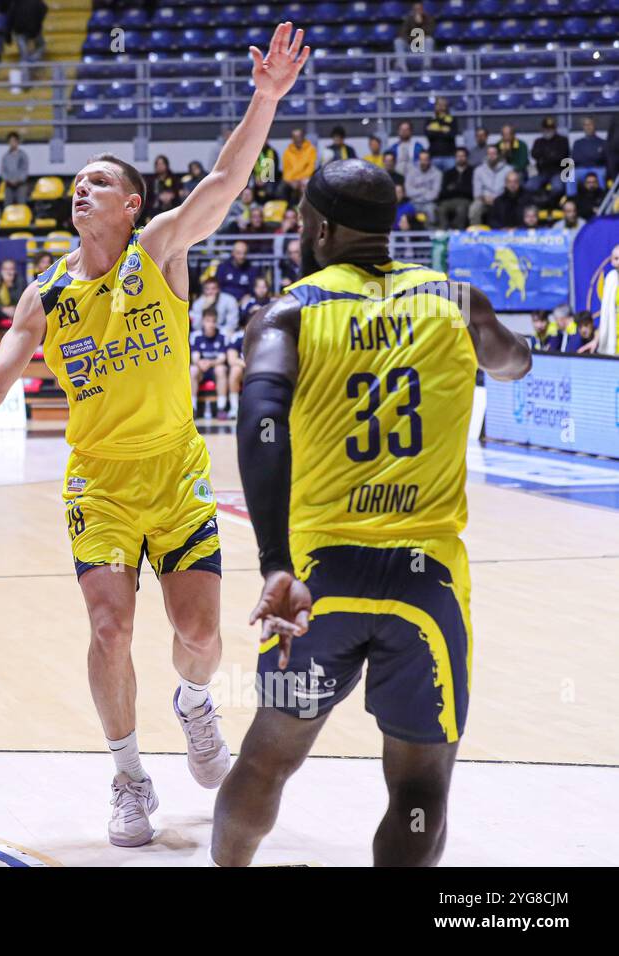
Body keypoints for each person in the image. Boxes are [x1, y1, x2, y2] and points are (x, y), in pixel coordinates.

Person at [0, 23, 311, 848]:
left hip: (177, 474)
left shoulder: (159, 251)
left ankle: (192, 704)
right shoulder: (46, 292)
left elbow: (223, 181)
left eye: (98, 182)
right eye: (76, 183)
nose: (81, 190)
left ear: (131, 204)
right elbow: (1, 374)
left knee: (200, 635)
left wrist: (265, 99)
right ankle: (128, 777)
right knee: (109, 627)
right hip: (99, 484)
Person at [215, 158, 531, 867]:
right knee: (422, 786)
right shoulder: (455, 300)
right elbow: (513, 363)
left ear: (319, 227)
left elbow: (260, 419)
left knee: (267, 759)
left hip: (321, 576)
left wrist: (275, 563)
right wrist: (505, 352)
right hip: (428, 583)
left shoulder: (288, 311)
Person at [190, 308, 230, 419]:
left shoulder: (222, 335)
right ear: (203, 321)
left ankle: (221, 408)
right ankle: (192, 408)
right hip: (201, 370)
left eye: (213, 321)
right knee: (193, 370)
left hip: (214, 369)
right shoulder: (196, 336)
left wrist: (210, 363)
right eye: (208, 321)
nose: (211, 324)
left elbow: (222, 357)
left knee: (221, 369)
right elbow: (195, 357)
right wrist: (200, 363)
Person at [527, 117, 570, 198]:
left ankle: (550, 204)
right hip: (542, 172)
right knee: (529, 186)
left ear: (554, 129)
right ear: (542, 129)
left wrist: (544, 157)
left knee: (558, 187)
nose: (548, 131)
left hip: (558, 172)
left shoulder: (562, 140)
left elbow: (562, 157)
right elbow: (534, 154)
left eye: (550, 128)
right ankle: (539, 202)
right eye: (546, 128)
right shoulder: (538, 141)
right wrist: (551, 155)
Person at [469, 146, 508, 226]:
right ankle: (475, 234)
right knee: (474, 209)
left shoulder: (508, 169)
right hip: (484, 199)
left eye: (494, 153)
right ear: (486, 155)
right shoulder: (478, 170)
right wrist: (484, 197)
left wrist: (498, 199)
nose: (491, 156)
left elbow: (510, 189)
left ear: (499, 155)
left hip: (502, 198)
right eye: (489, 154)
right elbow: (477, 191)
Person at [436, 147, 474, 230]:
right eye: (458, 156)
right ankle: (444, 231)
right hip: (449, 200)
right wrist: (460, 188)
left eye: (462, 156)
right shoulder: (448, 173)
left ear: (466, 157)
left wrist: (454, 188)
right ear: (455, 158)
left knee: (461, 209)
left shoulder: (472, 172)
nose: (460, 158)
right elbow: (443, 192)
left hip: (465, 200)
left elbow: (470, 191)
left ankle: (457, 231)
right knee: (441, 208)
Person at [8, 0, 48, 69]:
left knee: (24, 55)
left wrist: (8, 34)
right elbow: (44, 8)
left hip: (20, 31)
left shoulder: (15, 2)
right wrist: (38, 23)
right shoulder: (37, 2)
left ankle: (27, 65)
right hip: (33, 29)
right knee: (41, 46)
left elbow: (10, 16)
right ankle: (33, 60)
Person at [404, 150, 441, 224]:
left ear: (430, 161)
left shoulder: (437, 173)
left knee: (431, 210)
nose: (423, 162)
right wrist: (424, 190)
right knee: (404, 211)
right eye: (421, 159)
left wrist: (417, 193)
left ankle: (431, 232)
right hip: (413, 202)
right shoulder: (411, 172)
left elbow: (435, 194)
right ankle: (405, 234)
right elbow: (408, 192)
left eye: (425, 160)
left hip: (429, 203)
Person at [282, 127, 316, 200]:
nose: (297, 139)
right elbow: (286, 170)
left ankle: (303, 208)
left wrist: (300, 179)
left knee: (305, 185)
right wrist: (290, 181)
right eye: (294, 137)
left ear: (303, 137)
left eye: (299, 136)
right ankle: (289, 209)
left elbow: (311, 167)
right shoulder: (287, 152)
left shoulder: (311, 149)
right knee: (283, 188)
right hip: (292, 179)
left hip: (305, 178)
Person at [425, 98, 457, 172]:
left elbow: (451, 135)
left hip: (449, 156)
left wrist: (436, 129)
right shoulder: (430, 119)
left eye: (443, 105)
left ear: (446, 106)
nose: (441, 107)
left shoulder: (452, 119)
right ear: (435, 106)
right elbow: (429, 135)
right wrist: (443, 130)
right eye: (439, 105)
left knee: (449, 179)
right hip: (434, 156)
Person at [1, 132, 31, 206]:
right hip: (9, 185)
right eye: (10, 141)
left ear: (17, 142)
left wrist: (18, 180)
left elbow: (25, 170)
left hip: (21, 185)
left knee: (21, 205)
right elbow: (3, 172)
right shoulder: (5, 157)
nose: (12, 143)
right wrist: (9, 180)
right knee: (7, 206)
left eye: (14, 141)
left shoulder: (23, 156)